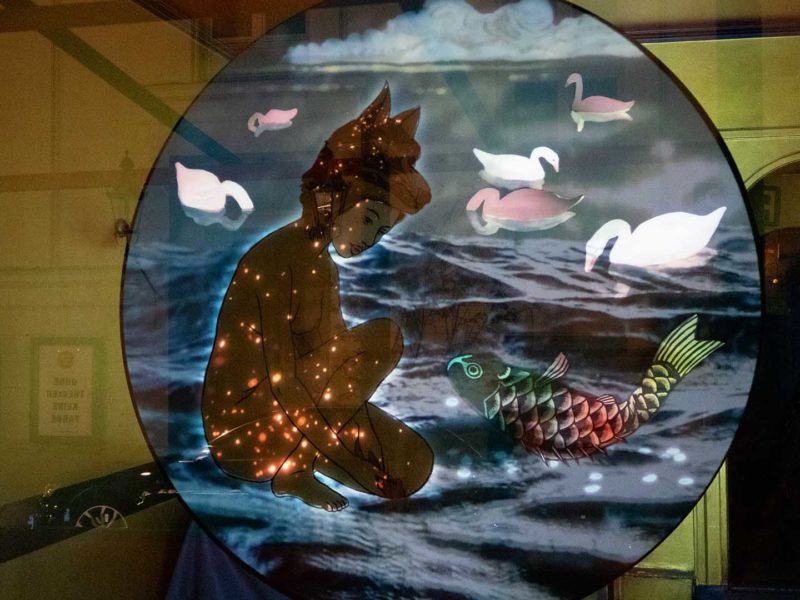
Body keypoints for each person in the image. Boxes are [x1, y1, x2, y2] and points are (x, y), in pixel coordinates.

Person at [201, 85, 434, 511]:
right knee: (383, 338)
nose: (371, 239)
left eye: (382, 231)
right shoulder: (277, 257)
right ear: (334, 198)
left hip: (297, 418)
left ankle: (303, 462)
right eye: (369, 220)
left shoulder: (323, 267)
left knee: (413, 464)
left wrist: (358, 446)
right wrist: (346, 458)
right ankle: (295, 471)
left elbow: (333, 368)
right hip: (246, 432)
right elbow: (285, 381)